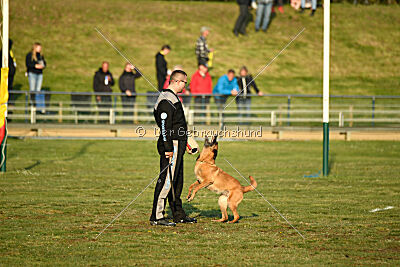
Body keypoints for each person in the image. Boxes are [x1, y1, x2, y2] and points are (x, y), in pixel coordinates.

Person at [150, 69, 197, 226]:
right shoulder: (166, 100)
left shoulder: (173, 98)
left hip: (179, 144)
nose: (185, 85)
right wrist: (168, 148)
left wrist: (187, 142)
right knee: (167, 181)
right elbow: (165, 127)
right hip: (172, 145)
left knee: (177, 182)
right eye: (185, 82)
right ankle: (156, 216)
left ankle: (178, 214)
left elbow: (177, 125)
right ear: (177, 81)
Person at [26, 42, 46, 110]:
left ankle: (38, 105)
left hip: (39, 74)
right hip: (32, 73)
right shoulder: (30, 55)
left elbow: (44, 63)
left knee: (38, 90)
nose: (40, 49)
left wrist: (43, 66)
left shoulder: (40, 55)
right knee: (32, 89)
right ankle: (32, 104)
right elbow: (28, 64)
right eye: (38, 47)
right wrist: (35, 66)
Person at [1, 39, 17, 110]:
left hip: (9, 75)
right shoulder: (3, 53)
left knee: (9, 90)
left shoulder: (9, 53)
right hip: (4, 75)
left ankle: (9, 108)